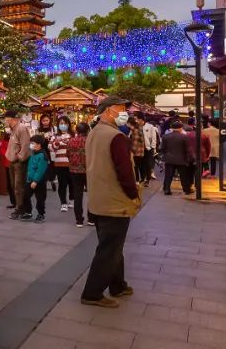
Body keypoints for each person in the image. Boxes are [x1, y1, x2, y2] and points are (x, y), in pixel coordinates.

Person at [80, 97, 141, 309]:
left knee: (113, 246)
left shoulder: (94, 132)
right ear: (107, 111)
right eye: (120, 109)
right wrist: (133, 194)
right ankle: (92, 293)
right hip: (114, 201)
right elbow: (125, 170)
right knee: (109, 249)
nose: (124, 113)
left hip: (98, 199)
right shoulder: (116, 136)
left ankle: (117, 285)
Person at [17, 134, 51, 222]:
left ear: (39, 144)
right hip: (29, 180)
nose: (31, 145)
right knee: (26, 196)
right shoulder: (33, 153)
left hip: (39, 181)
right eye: (31, 143)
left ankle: (41, 214)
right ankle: (28, 212)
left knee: (40, 198)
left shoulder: (42, 155)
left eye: (33, 143)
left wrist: (35, 181)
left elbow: (40, 170)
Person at [5, 110, 31, 219]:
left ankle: (20, 209)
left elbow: (25, 145)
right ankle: (19, 207)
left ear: (14, 119)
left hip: (19, 163)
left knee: (18, 186)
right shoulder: (13, 130)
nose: (6, 122)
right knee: (15, 186)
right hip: (13, 162)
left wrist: (19, 158)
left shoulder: (21, 128)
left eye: (8, 120)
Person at [160, 121, 195, 195]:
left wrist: (166, 154)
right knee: (183, 175)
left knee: (168, 175)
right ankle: (186, 189)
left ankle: (167, 189)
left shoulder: (165, 136)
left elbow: (162, 148)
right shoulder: (184, 137)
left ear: (172, 128)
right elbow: (187, 149)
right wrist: (190, 158)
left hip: (169, 159)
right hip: (181, 159)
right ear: (180, 128)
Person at [66, 122, 89, 227]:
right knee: (91, 195)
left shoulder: (71, 140)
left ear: (77, 130)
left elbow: (68, 154)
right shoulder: (90, 140)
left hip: (74, 171)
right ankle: (91, 218)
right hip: (88, 170)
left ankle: (79, 220)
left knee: (77, 195)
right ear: (87, 130)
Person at [50, 119, 73, 213]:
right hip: (59, 163)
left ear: (68, 124)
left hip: (72, 163)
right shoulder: (55, 136)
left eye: (65, 123)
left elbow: (76, 146)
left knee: (72, 183)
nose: (63, 125)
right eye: (61, 123)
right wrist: (56, 143)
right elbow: (51, 148)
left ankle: (71, 199)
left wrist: (69, 142)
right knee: (62, 184)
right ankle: (63, 203)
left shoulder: (73, 135)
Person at [127, 117, 146, 184]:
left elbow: (135, 142)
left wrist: (132, 151)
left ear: (129, 123)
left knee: (135, 166)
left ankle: (137, 180)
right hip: (140, 150)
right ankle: (142, 179)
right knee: (139, 165)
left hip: (136, 151)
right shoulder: (138, 128)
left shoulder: (134, 130)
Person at [141, 118, 159, 184]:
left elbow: (155, 139)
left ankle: (147, 178)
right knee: (142, 164)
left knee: (148, 164)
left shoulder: (151, 127)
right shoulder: (137, 127)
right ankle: (143, 178)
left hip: (148, 148)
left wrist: (153, 148)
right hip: (140, 148)